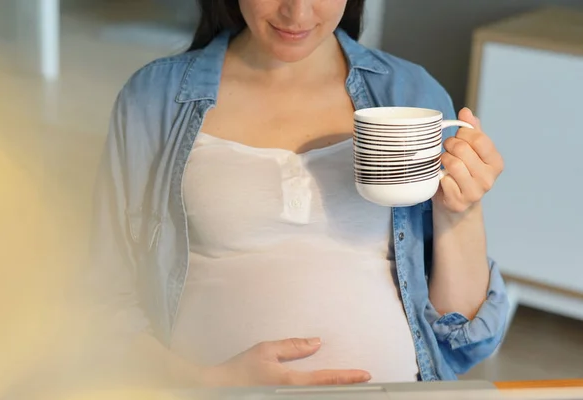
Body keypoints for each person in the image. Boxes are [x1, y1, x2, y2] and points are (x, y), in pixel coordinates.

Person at [89, 0, 509, 388]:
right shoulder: (153, 100)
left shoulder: (411, 95)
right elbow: (100, 305)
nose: (297, 12)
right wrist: (201, 383)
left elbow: (462, 342)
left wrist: (462, 210)